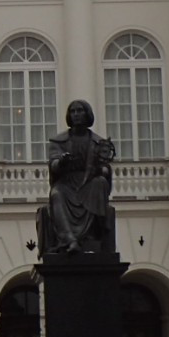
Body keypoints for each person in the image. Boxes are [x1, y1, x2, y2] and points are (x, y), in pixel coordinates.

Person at [39, 99, 116, 257]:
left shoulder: (97, 142)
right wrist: (61, 162)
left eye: (80, 111)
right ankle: (70, 240)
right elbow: (53, 163)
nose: (76, 114)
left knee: (100, 183)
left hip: (88, 183)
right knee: (56, 194)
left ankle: (95, 235)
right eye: (73, 111)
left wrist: (103, 169)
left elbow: (105, 167)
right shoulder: (58, 141)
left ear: (87, 114)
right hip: (66, 184)